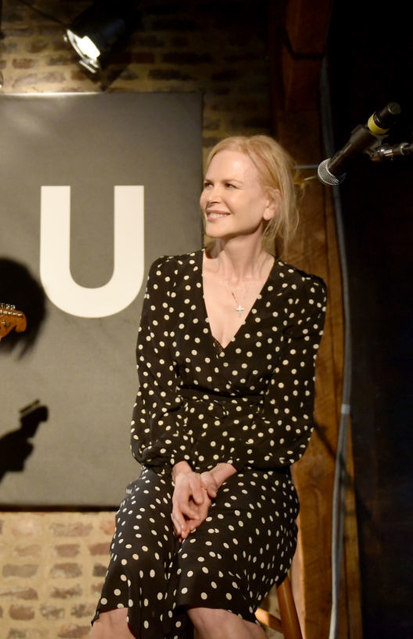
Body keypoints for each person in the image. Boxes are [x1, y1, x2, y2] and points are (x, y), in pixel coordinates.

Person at [91, 135, 328, 638]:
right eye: (208, 183)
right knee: (123, 598)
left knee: (205, 588)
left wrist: (215, 478)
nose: (211, 196)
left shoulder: (300, 295)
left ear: (270, 203)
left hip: (252, 477)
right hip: (170, 471)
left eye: (229, 185)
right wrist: (183, 474)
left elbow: (286, 423)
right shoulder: (170, 278)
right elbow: (153, 402)